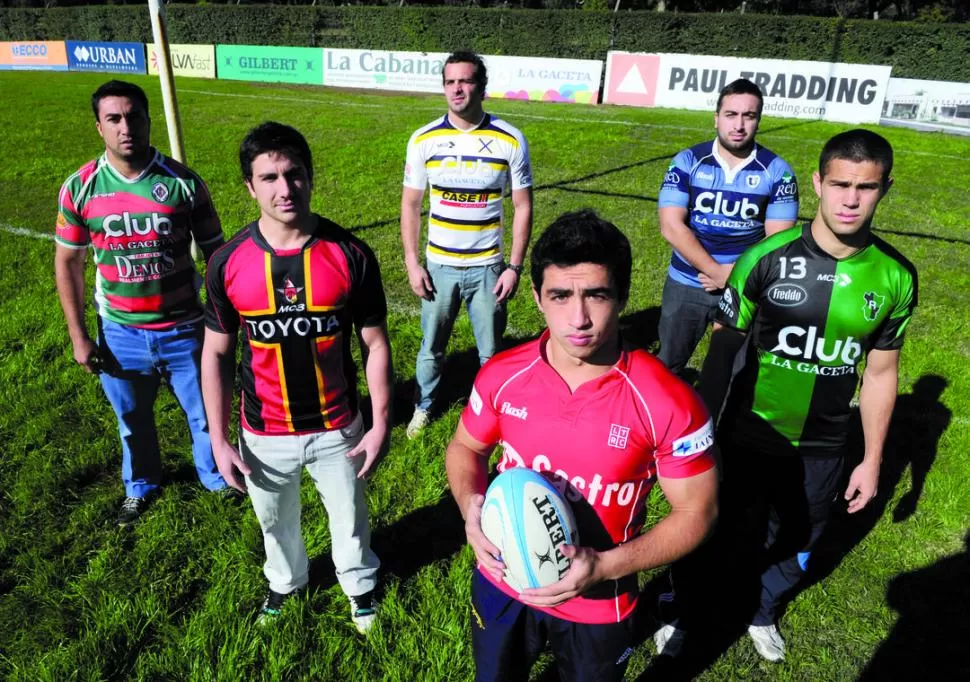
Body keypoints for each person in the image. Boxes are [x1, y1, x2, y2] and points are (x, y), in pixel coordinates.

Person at [660, 129, 917, 662]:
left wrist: (870, 461)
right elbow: (721, 354)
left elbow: (881, 373)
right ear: (818, 183)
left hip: (824, 444)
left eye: (866, 187)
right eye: (840, 183)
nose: (851, 199)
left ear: (885, 189)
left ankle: (763, 607)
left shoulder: (895, 276)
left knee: (802, 536)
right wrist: (698, 438)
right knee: (711, 524)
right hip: (748, 430)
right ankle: (683, 603)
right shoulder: (765, 256)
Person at [445, 210, 718, 681]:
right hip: (501, 580)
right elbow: (466, 449)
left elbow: (698, 513)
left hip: (600, 602)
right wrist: (471, 504)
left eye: (596, 294)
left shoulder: (668, 402)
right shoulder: (502, 375)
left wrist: (606, 565)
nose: (579, 318)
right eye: (560, 295)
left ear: (623, 296)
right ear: (536, 297)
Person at [200, 122, 392, 633]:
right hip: (263, 430)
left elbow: (375, 344)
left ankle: (358, 585)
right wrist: (218, 439)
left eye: (294, 174)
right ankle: (286, 583)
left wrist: (378, 424)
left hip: (338, 427)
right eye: (269, 178)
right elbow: (216, 355)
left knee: (350, 519)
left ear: (310, 176)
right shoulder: (226, 263)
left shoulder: (351, 254)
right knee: (274, 522)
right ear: (249, 186)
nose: (284, 189)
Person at [54, 80, 230, 526]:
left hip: (186, 327)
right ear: (99, 127)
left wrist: (221, 320)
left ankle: (217, 477)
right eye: (113, 118)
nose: (125, 126)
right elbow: (69, 264)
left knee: (207, 414)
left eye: (134, 116)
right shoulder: (80, 187)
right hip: (120, 333)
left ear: (149, 120)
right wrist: (79, 336)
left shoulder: (184, 183)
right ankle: (141, 485)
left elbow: (217, 256)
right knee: (132, 420)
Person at [401, 50, 533, 438]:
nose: (457, 88)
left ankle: (491, 413)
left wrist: (514, 266)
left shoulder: (509, 138)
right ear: (444, 87)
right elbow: (410, 205)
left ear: (482, 86)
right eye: (450, 81)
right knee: (431, 348)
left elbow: (523, 205)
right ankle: (423, 406)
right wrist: (412, 262)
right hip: (438, 267)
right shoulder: (424, 139)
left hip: (489, 268)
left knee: (491, 354)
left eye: (466, 80)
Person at [657, 78, 799, 376]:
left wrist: (735, 274)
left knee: (733, 375)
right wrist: (715, 271)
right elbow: (671, 226)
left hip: (745, 287)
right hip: (686, 282)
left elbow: (780, 240)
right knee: (667, 367)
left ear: (759, 121)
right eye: (731, 115)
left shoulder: (777, 171)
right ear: (716, 118)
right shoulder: (687, 161)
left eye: (749, 116)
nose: (739, 125)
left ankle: (719, 423)